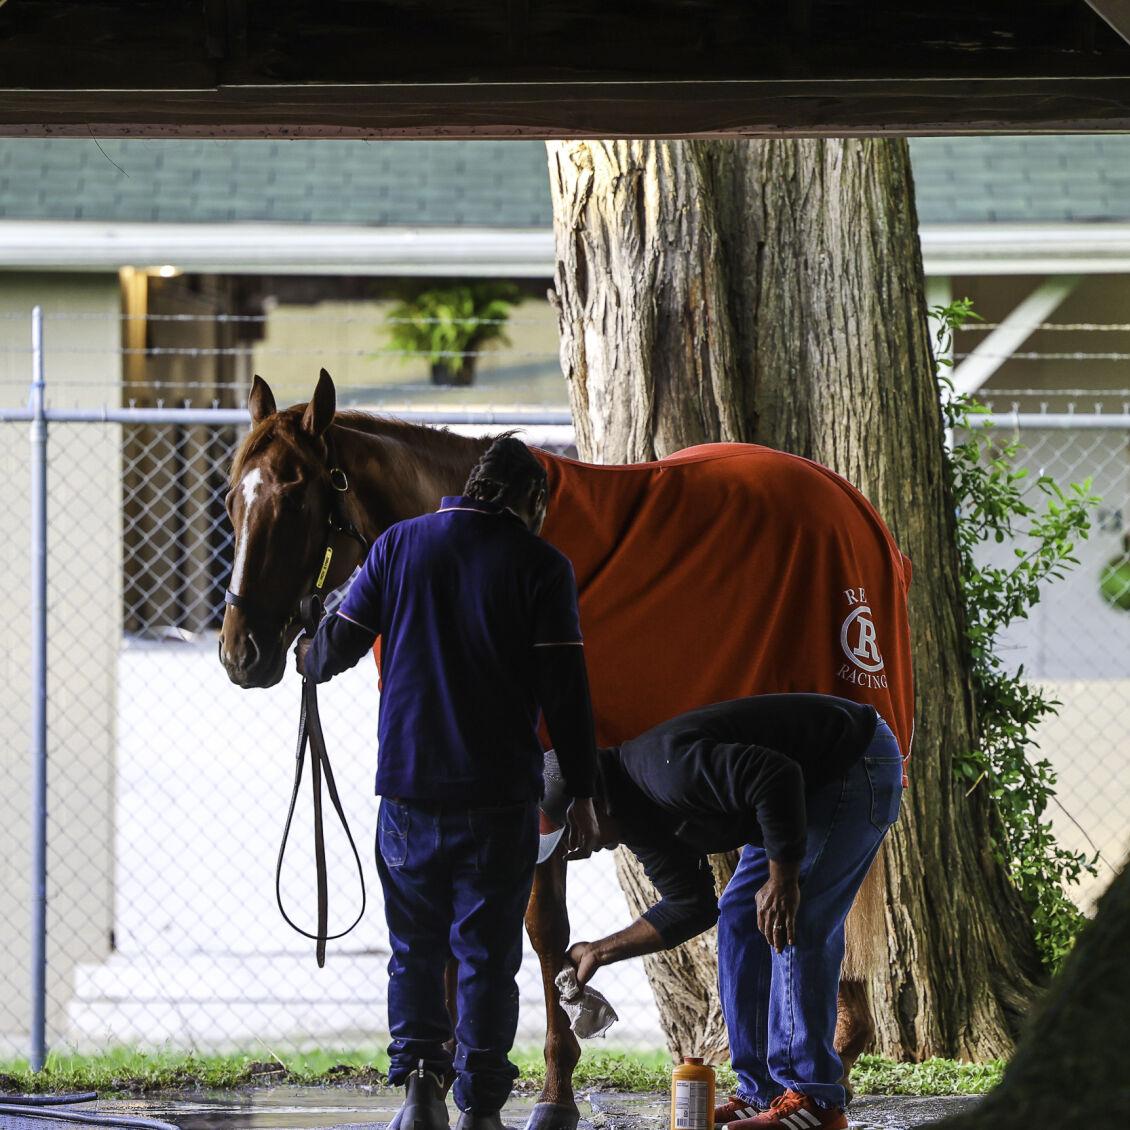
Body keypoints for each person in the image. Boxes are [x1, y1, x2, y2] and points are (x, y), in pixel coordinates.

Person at [298, 436, 600, 1130]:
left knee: (415, 951)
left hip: (408, 795)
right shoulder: (542, 566)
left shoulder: (399, 548)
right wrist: (582, 789)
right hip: (499, 803)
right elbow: (567, 691)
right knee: (488, 957)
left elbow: (335, 650)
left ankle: (421, 1092)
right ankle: (482, 1107)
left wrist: (306, 654)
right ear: (530, 500)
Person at [542, 693, 903, 1130]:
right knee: (739, 913)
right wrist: (599, 951)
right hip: (798, 793)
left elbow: (777, 775)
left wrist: (783, 878)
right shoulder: (636, 819)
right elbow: (691, 907)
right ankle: (762, 1092)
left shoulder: (664, 771)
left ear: (588, 801)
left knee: (792, 915)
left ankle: (814, 1102)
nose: (570, 851)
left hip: (851, 763)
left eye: (568, 833)